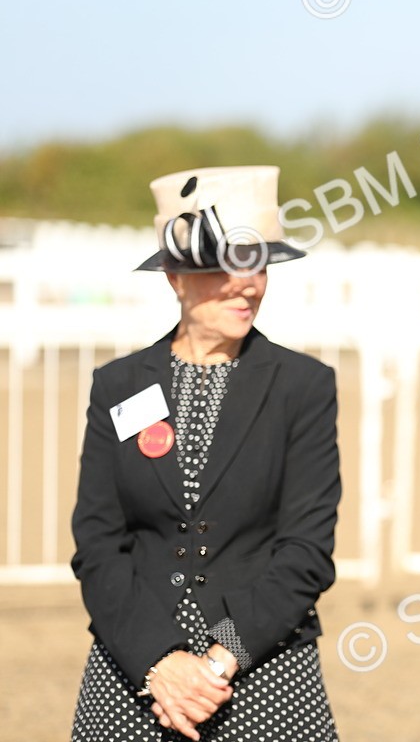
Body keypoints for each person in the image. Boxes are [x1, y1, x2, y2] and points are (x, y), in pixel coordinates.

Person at [69, 166, 342, 741]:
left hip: (266, 670)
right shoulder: (117, 386)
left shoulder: (303, 387)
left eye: (258, 264)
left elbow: (307, 551)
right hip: (135, 671)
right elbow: (98, 544)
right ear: (173, 276)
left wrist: (221, 661)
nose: (248, 285)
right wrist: (159, 662)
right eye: (225, 267)